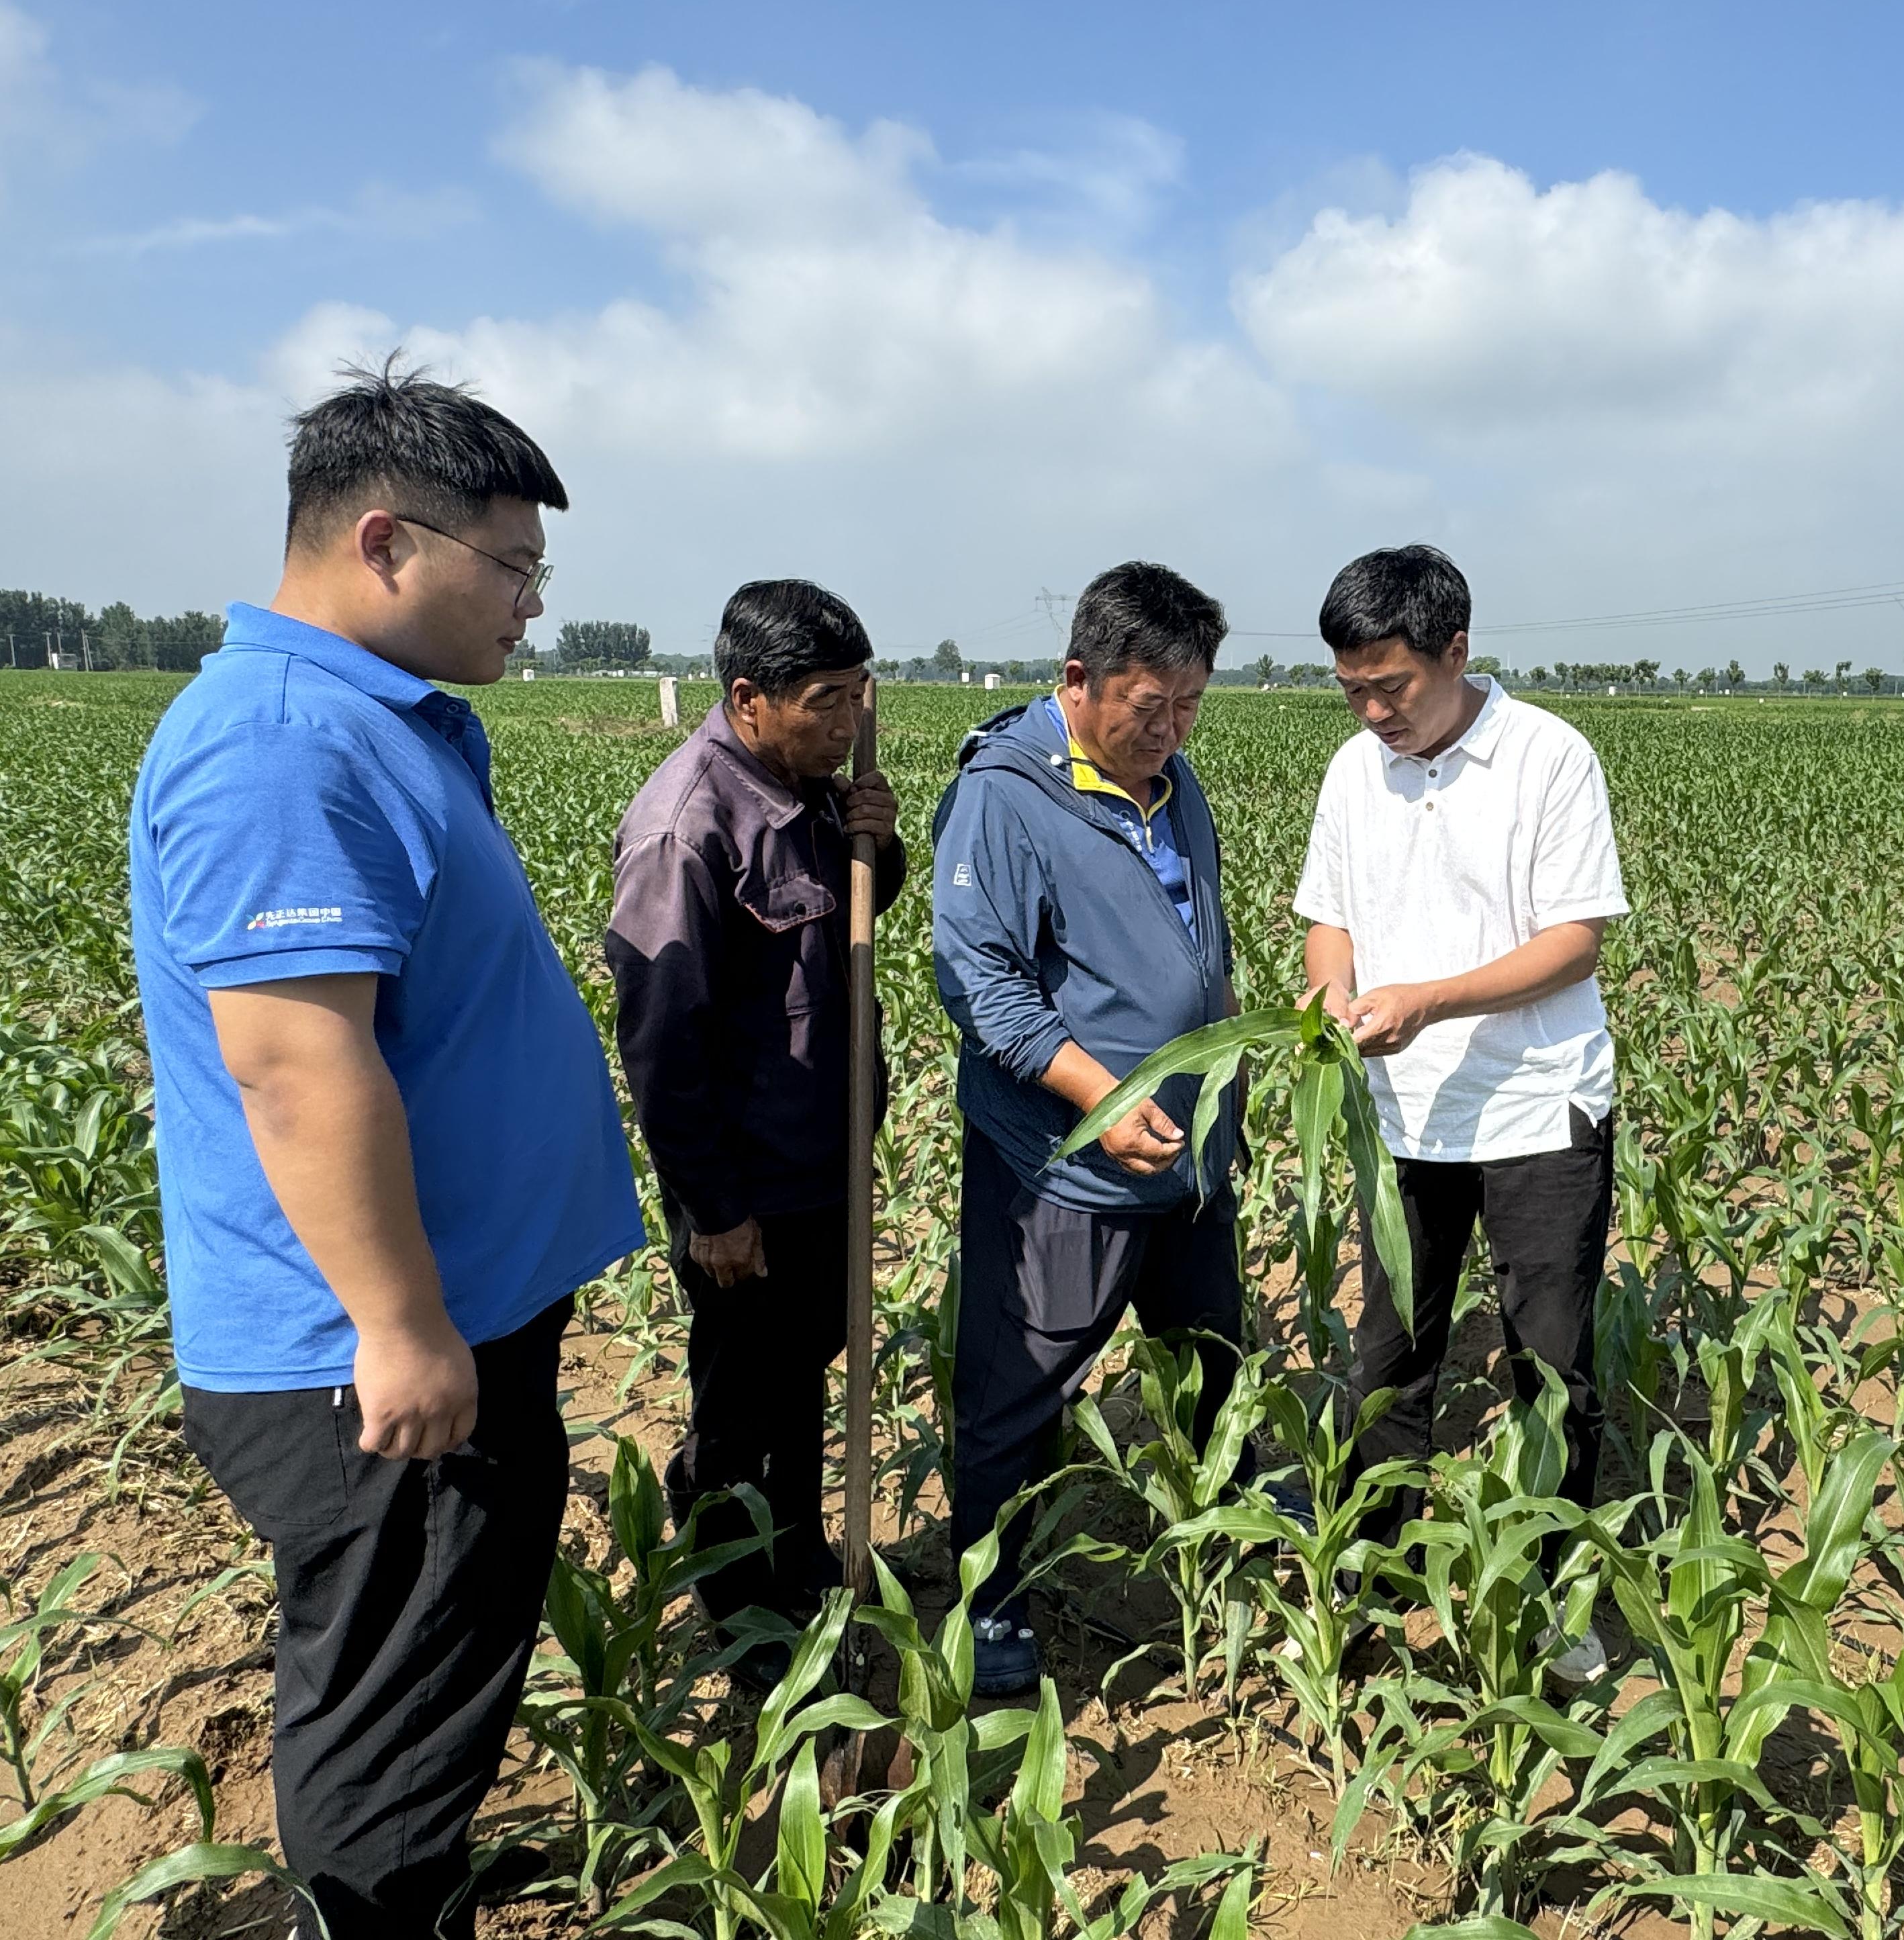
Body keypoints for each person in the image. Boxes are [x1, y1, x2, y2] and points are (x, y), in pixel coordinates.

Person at [129, 358, 642, 1938]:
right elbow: (296, 1063)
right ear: (385, 543)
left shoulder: (369, 720)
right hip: (370, 1363)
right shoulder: (283, 741)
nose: (533, 606)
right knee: (390, 1725)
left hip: (442, 1324)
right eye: (515, 568)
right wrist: (404, 1326)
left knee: (417, 1684)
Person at [1294, 545, 1631, 1689]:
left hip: (1537, 1106)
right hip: (1402, 1114)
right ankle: (1371, 1576)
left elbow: (1574, 941)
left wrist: (1430, 1000)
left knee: (1550, 1365)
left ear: (1456, 651)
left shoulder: (1548, 757)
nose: (1372, 711)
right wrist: (1331, 991)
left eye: (1390, 686)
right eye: (1352, 690)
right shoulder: (1354, 771)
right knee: (1389, 1359)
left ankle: (1555, 1598)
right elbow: (1330, 917)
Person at [931, 563, 1256, 1696]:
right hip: (1068, 1167)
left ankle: (1238, 1533)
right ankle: (990, 1602)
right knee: (1022, 1388)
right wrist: (1104, 1107)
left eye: (1191, 706)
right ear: (1079, 679)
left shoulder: (1173, 781)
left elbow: (1203, 948)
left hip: (1186, 1158)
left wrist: (1229, 1082)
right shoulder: (1006, 795)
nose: (1171, 731)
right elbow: (985, 988)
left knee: (1213, 1358)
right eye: (1149, 706)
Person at [605, 580, 902, 1679]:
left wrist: (879, 847)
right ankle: (745, 1620)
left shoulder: (811, 789)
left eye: (857, 697)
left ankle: (800, 1555)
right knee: (745, 1407)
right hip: (750, 1189)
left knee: (799, 1375)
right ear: (747, 699)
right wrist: (716, 1212)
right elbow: (662, 1044)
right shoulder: (687, 828)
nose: (847, 724)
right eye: (826, 702)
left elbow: (841, 923)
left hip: (823, 1161)